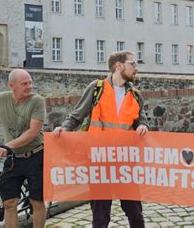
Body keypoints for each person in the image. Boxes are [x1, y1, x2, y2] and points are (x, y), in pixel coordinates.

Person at [53, 51, 148, 227]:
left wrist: (143, 126)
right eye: (133, 64)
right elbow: (76, 116)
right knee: (101, 214)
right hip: (99, 161)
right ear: (119, 66)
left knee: (135, 212)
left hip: (124, 162)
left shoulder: (136, 94)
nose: (136, 68)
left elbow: (140, 120)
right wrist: (64, 129)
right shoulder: (96, 88)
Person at [0, 69, 46, 228]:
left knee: (37, 201)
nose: (29, 86)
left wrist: (6, 146)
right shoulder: (1, 99)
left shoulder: (37, 101)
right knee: (9, 202)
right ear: (12, 85)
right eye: (24, 83)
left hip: (36, 156)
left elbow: (33, 132)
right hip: (13, 160)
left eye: (30, 82)